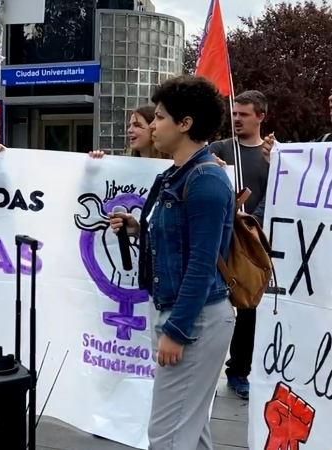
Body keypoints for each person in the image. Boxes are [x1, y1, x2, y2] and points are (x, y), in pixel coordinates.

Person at [110, 75, 234, 449]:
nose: (152, 125)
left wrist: (177, 331)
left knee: (166, 436)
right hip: (183, 312)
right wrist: (135, 228)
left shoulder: (205, 180)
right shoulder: (174, 176)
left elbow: (201, 263)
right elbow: (176, 241)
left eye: (160, 117)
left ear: (185, 124)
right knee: (191, 431)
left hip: (193, 318)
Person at [208, 90, 270, 400]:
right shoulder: (218, 149)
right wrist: (209, 160)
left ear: (261, 116)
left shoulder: (272, 155)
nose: (236, 119)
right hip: (219, 237)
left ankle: (239, 371)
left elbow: (276, 191)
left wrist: (252, 221)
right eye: (234, 113)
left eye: (243, 114)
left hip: (251, 240)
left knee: (247, 305)